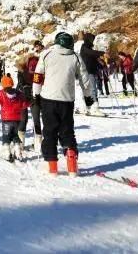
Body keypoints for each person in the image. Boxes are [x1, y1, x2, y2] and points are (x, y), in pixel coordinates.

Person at [33, 32, 92, 176]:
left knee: (49, 131)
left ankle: (53, 167)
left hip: (48, 99)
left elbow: (38, 76)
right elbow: (85, 79)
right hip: (67, 100)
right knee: (67, 131)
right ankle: (72, 165)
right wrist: (88, 96)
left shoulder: (46, 54)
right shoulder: (76, 57)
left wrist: (36, 94)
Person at [0, 74, 31, 162]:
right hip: (17, 119)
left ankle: (7, 153)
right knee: (15, 135)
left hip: (6, 120)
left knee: (6, 135)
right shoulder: (18, 93)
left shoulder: (1, 93)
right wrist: (30, 101)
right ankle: (17, 151)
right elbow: (24, 104)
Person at [78, 33, 105, 115]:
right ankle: (93, 107)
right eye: (92, 39)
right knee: (92, 89)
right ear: (88, 39)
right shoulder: (84, 48)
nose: (93, 41)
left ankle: (87, 106)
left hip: (92, 71)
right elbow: (91, 53)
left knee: (90, 89)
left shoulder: (89, 48)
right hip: (87, 72)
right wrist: (102, 53)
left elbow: (94, 60)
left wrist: (101, 66)